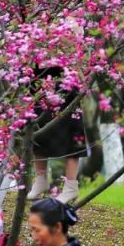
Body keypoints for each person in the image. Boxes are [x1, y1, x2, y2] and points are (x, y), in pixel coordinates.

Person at [28, 67, 87, 204]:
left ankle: (71, 186)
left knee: (70, 132)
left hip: (66, 78)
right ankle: (41, 181)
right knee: (39, 129)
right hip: (39, 77)